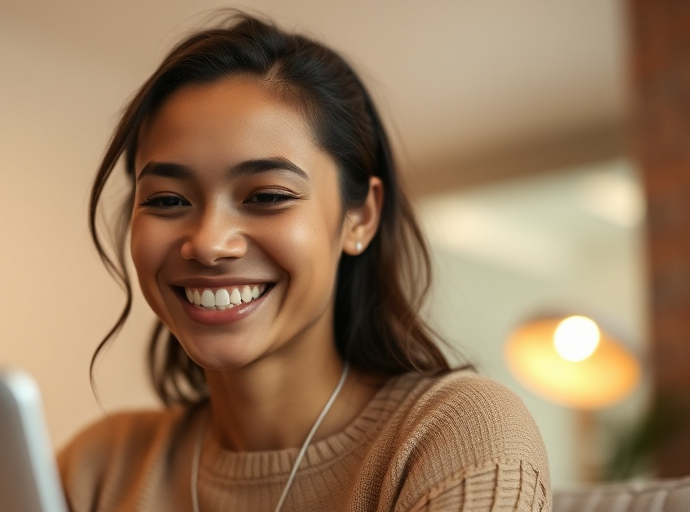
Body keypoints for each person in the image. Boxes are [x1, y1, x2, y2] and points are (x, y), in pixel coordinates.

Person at [59, 12, 551, 512]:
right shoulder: (98, 468)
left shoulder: (456, 434)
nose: (208, 244)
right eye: (167, 200)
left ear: (360, 217)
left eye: (267, 196)